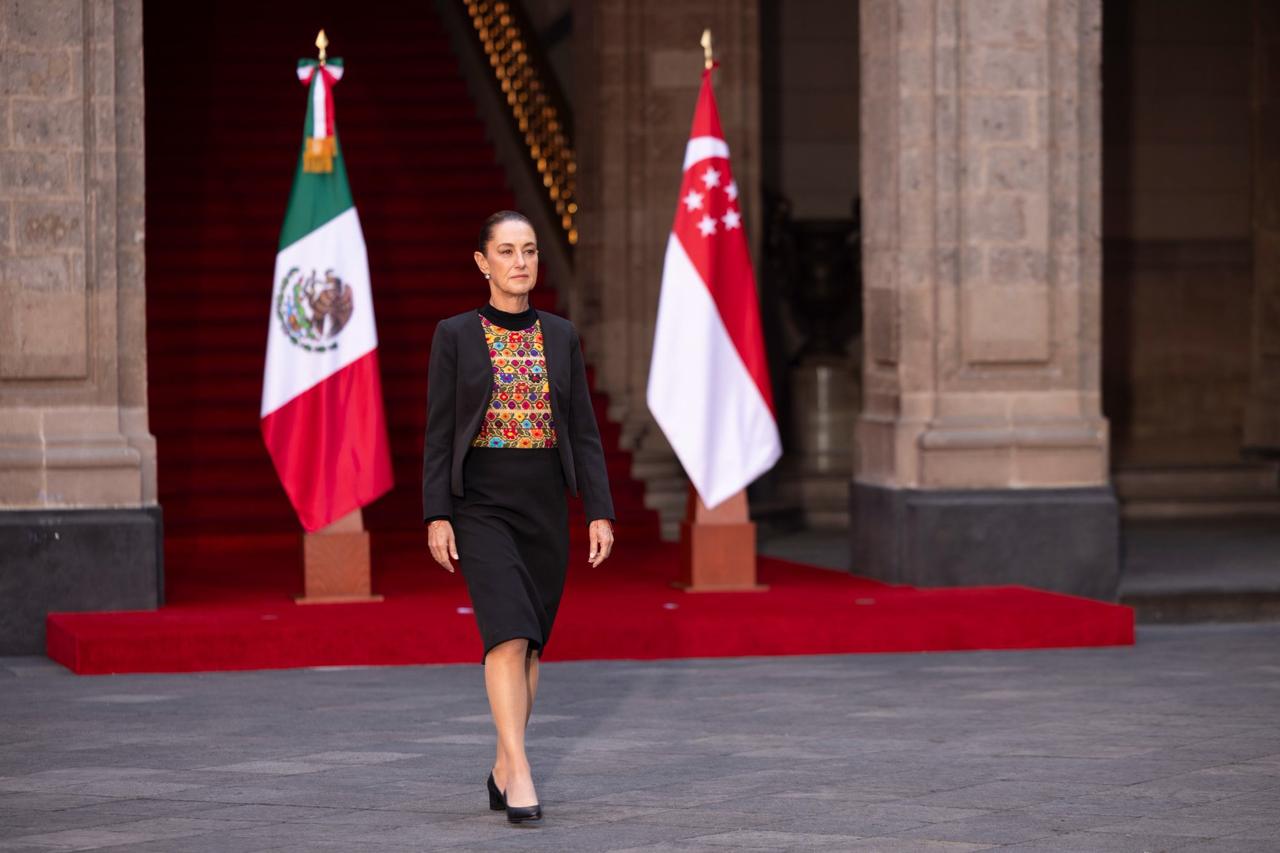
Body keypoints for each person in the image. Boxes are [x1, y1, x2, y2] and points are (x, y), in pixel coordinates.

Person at [422, 210, 616, 826]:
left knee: (531, 644)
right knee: (505, 632)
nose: (520, 262)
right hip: (480, 504)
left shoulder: (561, 335)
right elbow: (438, 434)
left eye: (529, 250)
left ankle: (504, 765)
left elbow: (583, 430)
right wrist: (437, 513)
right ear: (483, 263)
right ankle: (523, 771)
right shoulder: (455, 334)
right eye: (506, 251)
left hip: (543, 506)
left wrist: (599, 511)